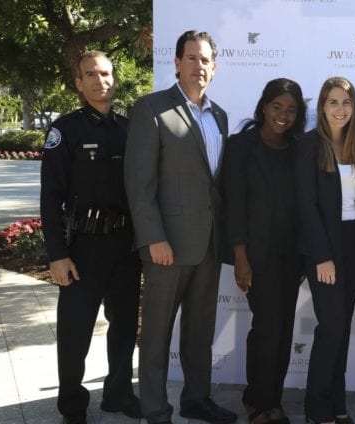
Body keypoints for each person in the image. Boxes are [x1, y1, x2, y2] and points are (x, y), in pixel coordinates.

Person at [124, 30, 237, 424]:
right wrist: (154, 237)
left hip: (208, 245)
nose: (199, 65)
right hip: (166, 246)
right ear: (176, 63)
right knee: (156, 334)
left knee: (199, 332)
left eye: (205, 60)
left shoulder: (219, 115)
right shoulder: (152, 109)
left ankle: (197, 399)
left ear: (214, 67)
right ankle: (155, 409)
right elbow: (140, 185)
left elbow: (215, 184)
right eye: (191, 58)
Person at [40, 50, 142, 424]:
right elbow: (50, 196)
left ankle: (118, 394)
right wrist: (56, 254)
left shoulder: (129, 129)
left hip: (125, 246)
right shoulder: (64, 131)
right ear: (78, 83)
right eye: (92, 75)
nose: (101, 81)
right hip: (82, 248)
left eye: (106, 73)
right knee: (75, 332)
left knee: (125, 326)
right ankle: (73, 406)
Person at [223, 78, 307, 424]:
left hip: (292, 255)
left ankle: (274, 399)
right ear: (263, 107)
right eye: (277, 107)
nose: (283, 115)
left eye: (291, 110)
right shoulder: (241, 146)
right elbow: (234, 204)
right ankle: (256, 399)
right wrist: (241, 257)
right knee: (267, 327)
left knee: (284, 328)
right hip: (256, 256)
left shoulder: (300, 148)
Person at [295, 76, 355, 424]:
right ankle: (316, 407)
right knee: (331, 326)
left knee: (341, 329)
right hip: (324, 244)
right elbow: (306, 205)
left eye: (346, 103)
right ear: (322, 107)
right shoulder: (310, 145)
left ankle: (337, 405)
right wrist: (322, 255)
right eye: (333, 102)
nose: (340, 109)